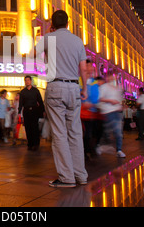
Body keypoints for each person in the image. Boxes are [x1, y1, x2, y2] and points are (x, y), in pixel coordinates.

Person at [37, 10, 88, 188]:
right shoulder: (77, 40)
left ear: (52, 24)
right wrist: (85, 88)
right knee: (75, 132)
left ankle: (67, 177)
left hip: (56, 86)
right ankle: (80, 174)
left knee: (59, 133)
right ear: (68, 24)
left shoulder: (47, 38)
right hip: (74, 87)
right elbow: (83, 68)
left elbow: (35, 57)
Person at [97, 73, 126, 158]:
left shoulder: (118, 88)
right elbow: (100, 98)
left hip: (117, 112)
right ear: (107, 77)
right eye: (111, 76)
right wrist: (110, 101)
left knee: (118, 132)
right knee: (107, 131)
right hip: (108, 112)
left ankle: (119, 150)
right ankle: (99, 145)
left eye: (114, 77)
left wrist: (121, 106)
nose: (112, 78)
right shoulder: (104, 87)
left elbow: (119, 100)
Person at [18, 76, 45, 151]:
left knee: (34, 127)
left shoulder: (36, 90)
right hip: (26, 110)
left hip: (34, 110)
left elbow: (40, 101)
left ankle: (36, 143)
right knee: (27, 128)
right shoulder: (23, 92)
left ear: (31, 81)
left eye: (28, 80)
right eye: (25, 80)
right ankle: (30, 144)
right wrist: (19, 112)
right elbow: (20, 103)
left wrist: (43, 111)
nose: (27, 82)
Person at [81, 60, 101, 158]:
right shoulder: (80, 81)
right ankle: (86, 151)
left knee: (96, 132)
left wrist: (93, 104)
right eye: (89, 66)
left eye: (92, 66)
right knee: (87, 133)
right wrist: (84, 103)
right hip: (84, 113)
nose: (91, 68)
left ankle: (90, 149)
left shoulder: (94, 82)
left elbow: (97, 96)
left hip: (94, 112)